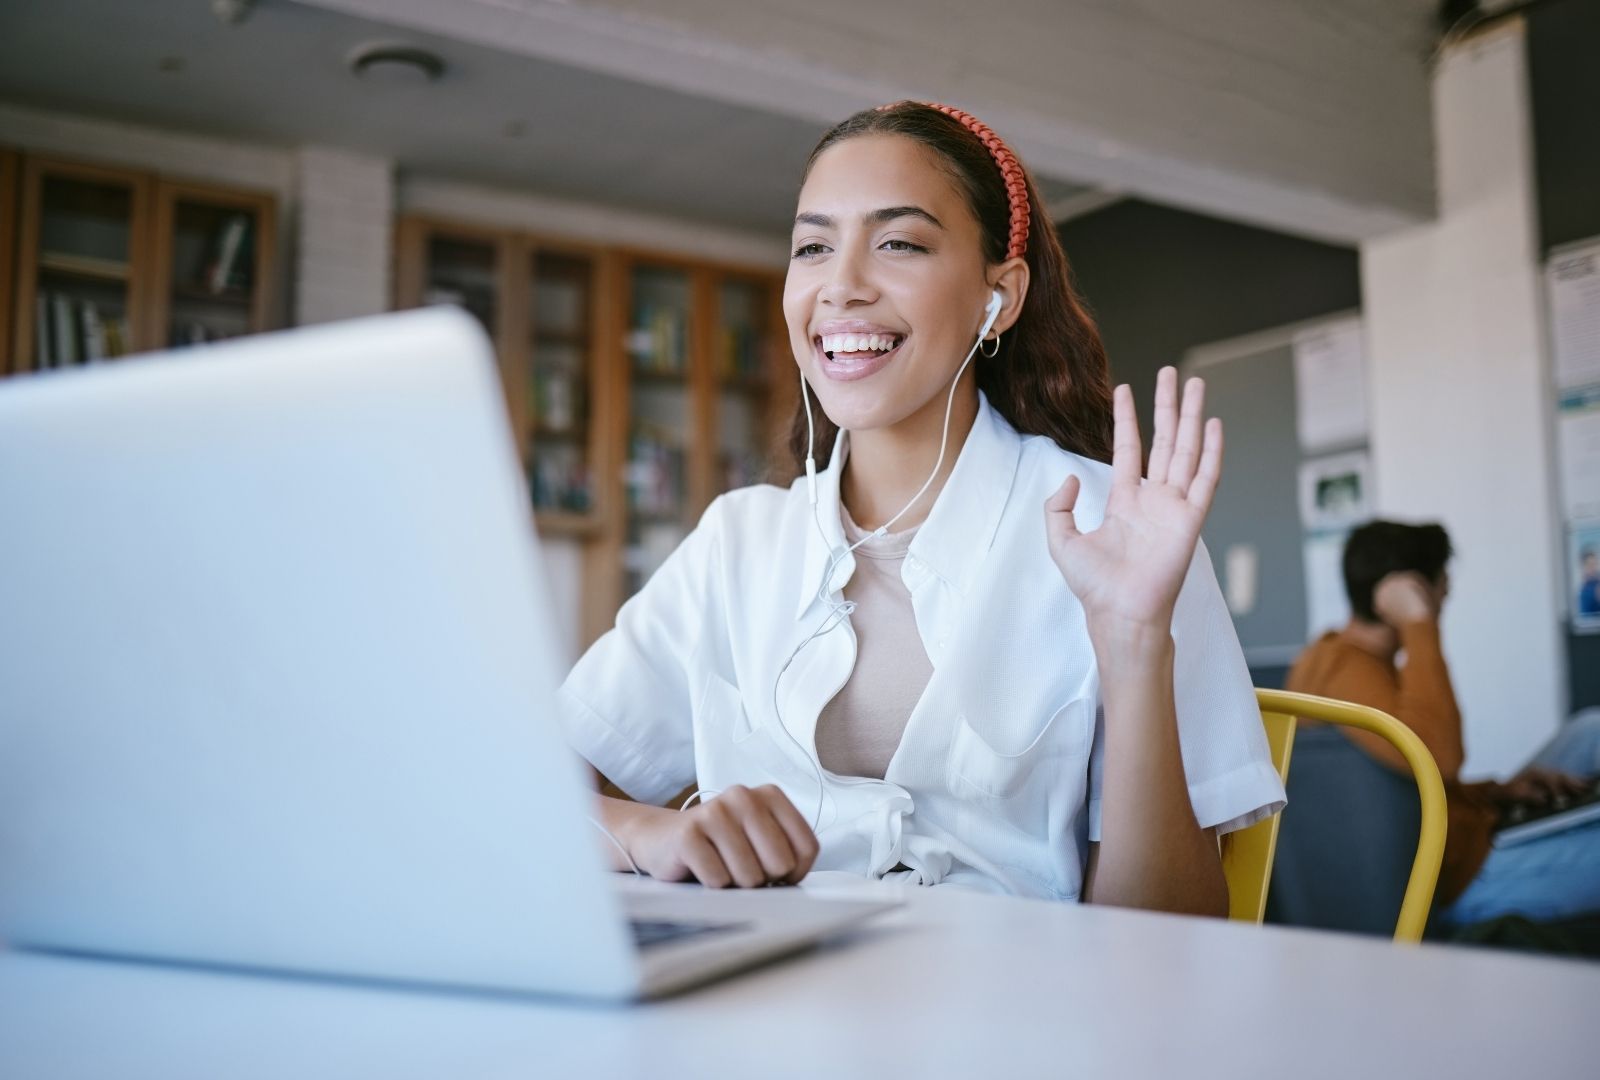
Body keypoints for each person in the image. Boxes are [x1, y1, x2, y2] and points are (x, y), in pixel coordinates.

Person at [558, 102, 1284, 913]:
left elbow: (1170, 940)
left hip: (1020, 1017)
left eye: (898, 242)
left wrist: (1135, 645)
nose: (843, 286)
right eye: (813, 247)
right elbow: (522, 790)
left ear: (998, 297)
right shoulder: (738, 541)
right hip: (766, 1013)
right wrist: (651, 834)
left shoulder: (1122, 528)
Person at [1285, 520, 1600, 928]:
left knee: (1588, 731)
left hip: (1457, 832)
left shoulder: (1329, 658)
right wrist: (1419, 623)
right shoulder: (1344, 671)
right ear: (1407, 589)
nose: (1446, 593)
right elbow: (1442, 758)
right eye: (1439, 583)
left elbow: (1393, 786)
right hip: (1461, 874)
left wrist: (1495, 792)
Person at [1579, 548, 1600, 618]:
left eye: (1594, 564)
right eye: (1590, 565)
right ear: (1584, 567)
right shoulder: (1584, 591)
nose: (1593, 568)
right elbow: (1585, 616)